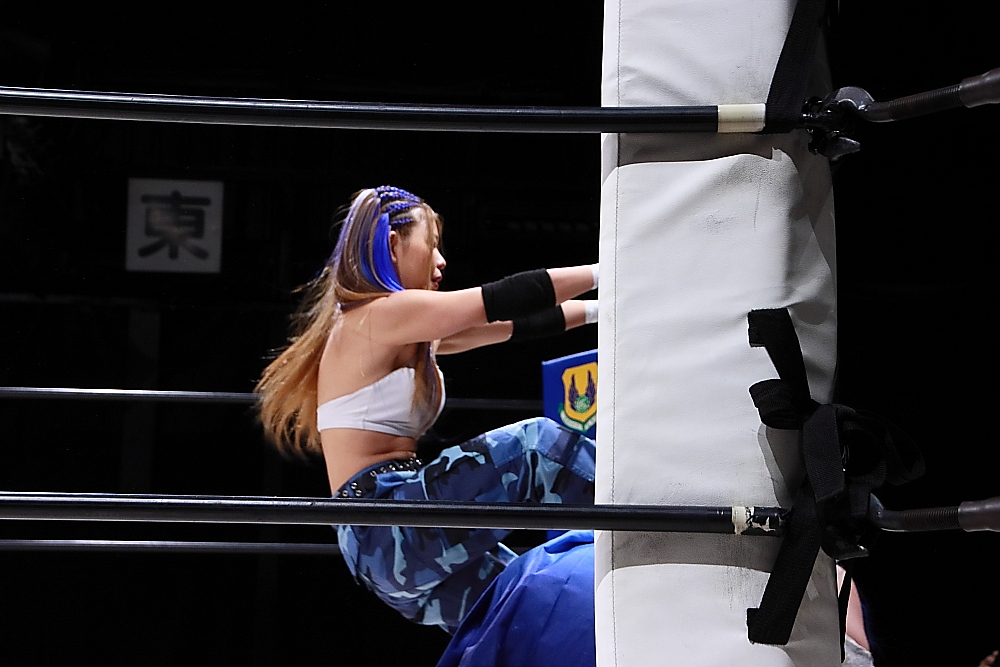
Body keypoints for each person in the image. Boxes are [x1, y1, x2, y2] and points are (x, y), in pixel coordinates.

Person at [256, 185, 599, 633]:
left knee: (537, 605)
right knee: (535, 446)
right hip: (389, 524)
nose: (440, 261)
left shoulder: (404, 327)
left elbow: (515, 322)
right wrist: (608, 270)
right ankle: (651, 508)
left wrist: (605, 311)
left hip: (390, 542)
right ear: (393, 244)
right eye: (431, 244)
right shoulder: (377, 315)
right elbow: (500, 297)